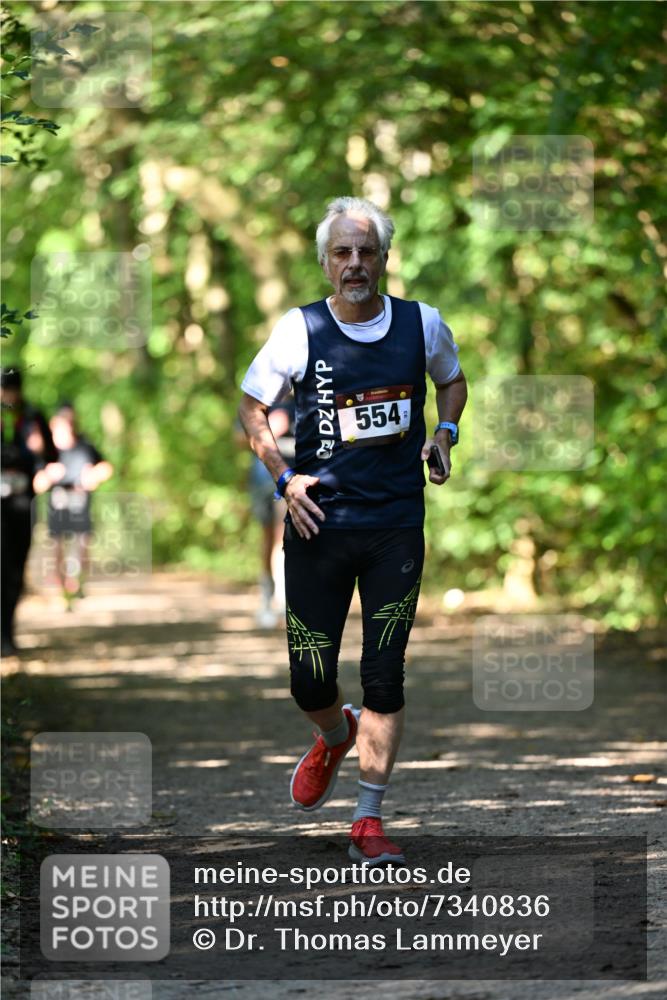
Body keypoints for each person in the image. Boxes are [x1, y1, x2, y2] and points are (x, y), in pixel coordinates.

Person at [238, 196, 467, 864]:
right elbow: (254, 409)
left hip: (395, 523)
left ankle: (368, 818)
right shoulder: (298, 329)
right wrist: (285, 480)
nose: (354, 264)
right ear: (324, 261)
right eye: (341, 252)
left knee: (385, 675)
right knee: (309, 680)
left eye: (366, 251)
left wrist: (443, 432)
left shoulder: (421, 324)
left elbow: (451, 383)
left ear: (385, 258)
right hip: (319, 527)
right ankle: (335, 733)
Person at [1, 367, 57, 655]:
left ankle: (7, 634)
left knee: (13, 567)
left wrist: (40, 457)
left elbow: (51, 457)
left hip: (22, 501)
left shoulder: (32, 416)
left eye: (11, 390)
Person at [44, 402, 113, 606]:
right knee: (57, 547)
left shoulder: (85, 446)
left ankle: (76, 584)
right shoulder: (48, 450)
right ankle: (62, 590)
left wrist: (94, 476)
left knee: (81, 545)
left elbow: (106, 467)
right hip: (57, 501)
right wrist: (48, 474)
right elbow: (37, 476)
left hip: (80, 500)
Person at [237, 398, 295, 628]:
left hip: (297, 478)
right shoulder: (256, 398)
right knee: (269, 539)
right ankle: (268, 600)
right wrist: (266, 429)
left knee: (284, 538)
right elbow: (238, 437)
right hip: (264, 480)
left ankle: (283, 601)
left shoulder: (305, 395)